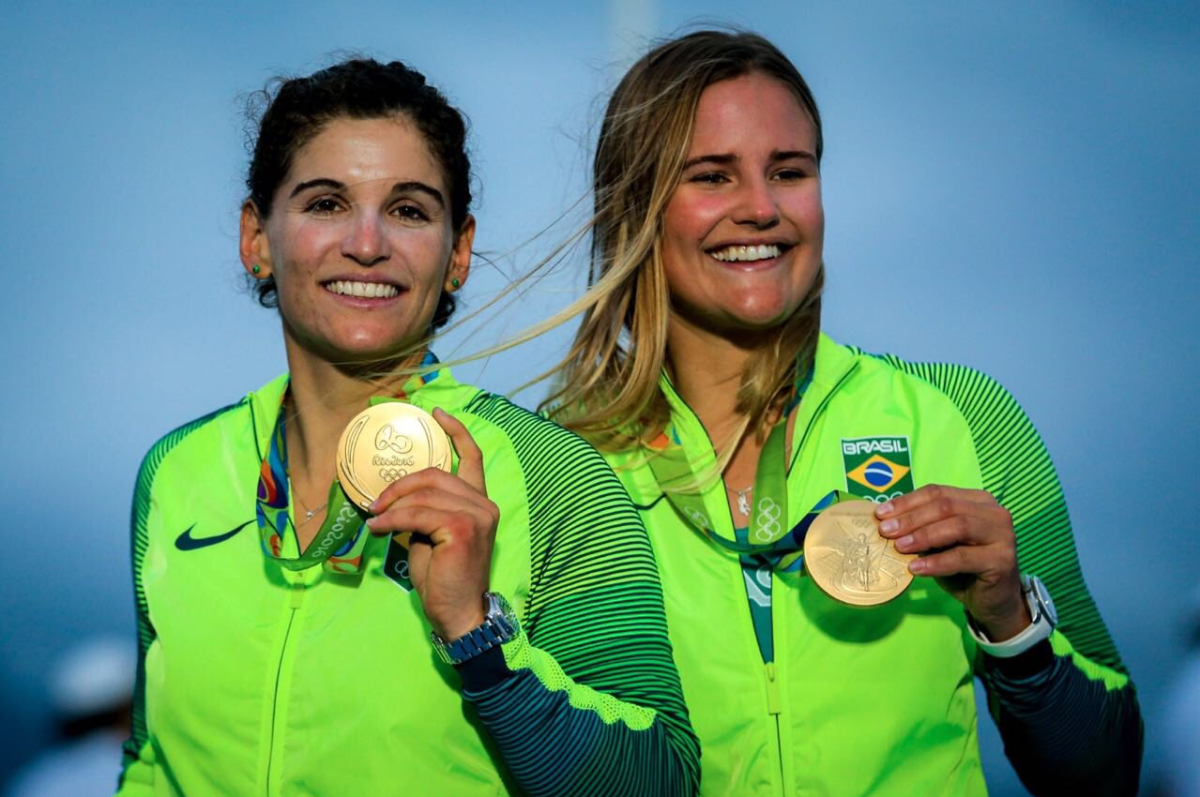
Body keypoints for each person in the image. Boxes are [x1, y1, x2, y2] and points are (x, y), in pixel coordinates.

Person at [543, 30, 1143, 796]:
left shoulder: (962, 417)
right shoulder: (564, 466)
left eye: (789, 171)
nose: (761, 208)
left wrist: (1011, 621)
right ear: (635, 208)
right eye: (713, 176)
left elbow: (1107, 769)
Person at [116, 58, 699, 797]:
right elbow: (152, 759)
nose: (367, 243)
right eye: (327, 203)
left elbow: (659, 781)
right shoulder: (177, 471)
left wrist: (475, 634)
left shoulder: (553, 475)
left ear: (458, 252)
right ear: (256, 237)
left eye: (410, 211)